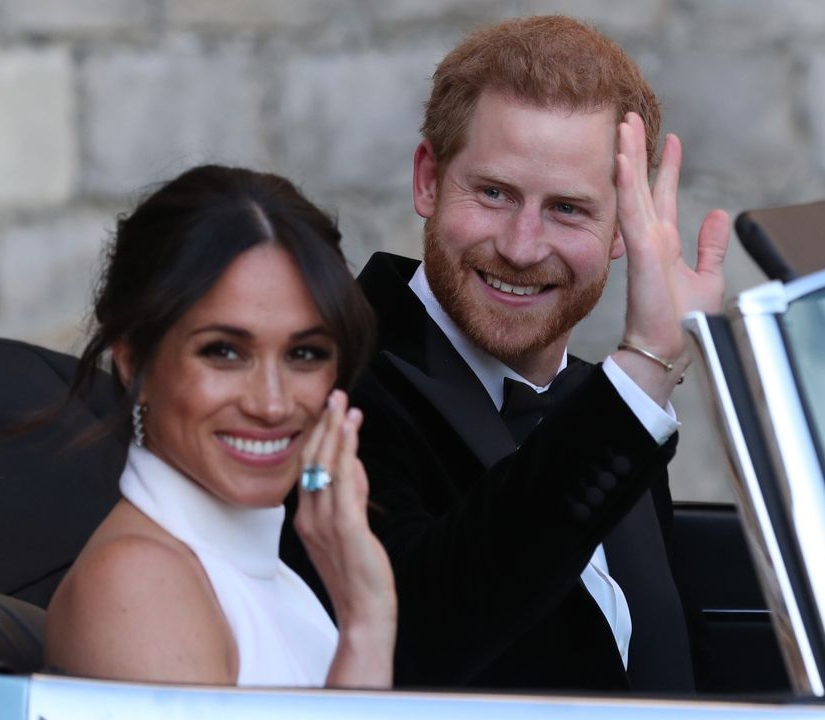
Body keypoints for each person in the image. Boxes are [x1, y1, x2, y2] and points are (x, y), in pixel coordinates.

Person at [282, 16, 730, 692]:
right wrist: (644, 370)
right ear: (429, 180)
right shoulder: (329, 376)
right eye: (493, 193)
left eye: (569, 210)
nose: (522, 246)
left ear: (622, 230)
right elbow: (414, 638)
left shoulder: (602, 404)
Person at [44, 165, 396, 688]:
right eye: (224, 352)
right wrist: (367, 627)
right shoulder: (138, 584)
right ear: (132, 361)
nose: (272, 404)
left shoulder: (270, 576)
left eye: (304, 353)